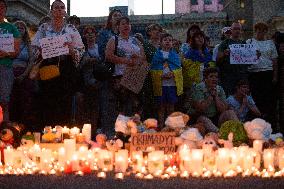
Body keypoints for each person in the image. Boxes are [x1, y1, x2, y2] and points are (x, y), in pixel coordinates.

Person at [31, 0, 84, 127]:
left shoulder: (71, 29)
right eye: (56, 8)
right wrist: (40, 51)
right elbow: (33, 47)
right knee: (48, 101)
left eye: (62, 7)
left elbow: (81, 49)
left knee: (65, 101)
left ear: (65, 12)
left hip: (66, 67)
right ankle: (48, 132)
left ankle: (63, 131)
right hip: (48, 66)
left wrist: (71, 49)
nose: (59, 10)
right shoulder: (44, 28)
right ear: (51, 11)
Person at [105, 16, 146, 117]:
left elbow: (143, 57)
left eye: (128, 23)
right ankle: (121, 130)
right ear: (118, 26)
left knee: (136, 105)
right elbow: (108, 56)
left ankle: (134, 128)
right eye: (123, 24)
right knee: (122, 105)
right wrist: (127, 61)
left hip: (135, 76)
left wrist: (137, 58)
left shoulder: (135, 41)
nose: (126, 25)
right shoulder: (114, 39)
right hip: (120, 76)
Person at [95, 9, 122, 138]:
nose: (117, 18)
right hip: (109, 72)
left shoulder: (126, 35)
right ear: (110, 19)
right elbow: (102, 52)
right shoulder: (104, 33)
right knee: (107, 104)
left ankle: (121, 133)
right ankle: (107, 133)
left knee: (120, 105)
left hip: (122, 73)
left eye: (120, 16)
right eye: (115, 15)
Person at [246, 22, 278, 130]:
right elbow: (244, 58)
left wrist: (275, 76)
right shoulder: (249, 42)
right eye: (258, 30)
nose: (261, 32)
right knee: (256, 99)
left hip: (267, 74)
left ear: (266, 32)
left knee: (268, 101)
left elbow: (274, 60)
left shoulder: (270, 43)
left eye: (263, 30)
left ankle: (269, 125)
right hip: (254, 74)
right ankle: (256, 125)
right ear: (255, 31)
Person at [190, 67, 238, 133]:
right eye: (211, 76)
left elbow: (223, 109)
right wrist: (210, 96)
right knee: (204, 119)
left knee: (230, 112)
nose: (214, 79)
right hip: (200, 117)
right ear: (205, 79)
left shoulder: (220, 89)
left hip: (216, 117)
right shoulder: (199, 88)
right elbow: (201, 108)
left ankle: (239, 131)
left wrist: (216, 96)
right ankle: (220, 135)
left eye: (216, 77)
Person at [150, 33, 183, 128]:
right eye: (165, 40)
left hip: (172, 85)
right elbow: (153, 69)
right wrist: (161, 75)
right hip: (161, 85)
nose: (168, 41)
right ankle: (161, 125)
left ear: (172, 43)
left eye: (170, 40)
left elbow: (178, 69)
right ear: (160, 43)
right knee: (161, 107)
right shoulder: (157, 55)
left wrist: (173, 74)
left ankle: (171, 126)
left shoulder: (175, 55)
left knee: (171, 106)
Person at [9, 21, 37, 129]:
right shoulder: (8, 43)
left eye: (22, 28)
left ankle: (24, 126)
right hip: (10, 73)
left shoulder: (28, 44)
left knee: (25, 101)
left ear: (25, 31)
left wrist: (24, 74)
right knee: (11, 100)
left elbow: (31, 61)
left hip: (24, 74)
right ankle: (11, 126)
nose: (20, 29)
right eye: (17, 27)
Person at [0, 0, 20, 122]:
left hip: (5, 67)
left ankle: (5, 132)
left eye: (2, 7)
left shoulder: (12, 28)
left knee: (4, 101)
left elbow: (16, 51)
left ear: (5, 10)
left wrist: (6, 53)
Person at [217, 22, 247, 96]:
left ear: (241, 31)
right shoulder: (225, 43)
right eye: (235, 29)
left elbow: (249, 61)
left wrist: (256, 56)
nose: (237, 31)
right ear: (231, 30)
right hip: (228, 76)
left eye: (239, 29)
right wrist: (224, 54)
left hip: (241, 75)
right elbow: (217, 59)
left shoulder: (244, 43)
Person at [80, 25, 100, 136]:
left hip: (98, 81)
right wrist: (86, 61)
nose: (90, 35)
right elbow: (78, 65)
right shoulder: (82, 49)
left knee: (96, 109)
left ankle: (94, 132)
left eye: (92, 32)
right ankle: (86, 132)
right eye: (87, 33)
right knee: (86, 109)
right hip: (86, 82)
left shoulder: (99, 48)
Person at [141, 23, 163, 120]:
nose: (157, 32)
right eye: (155, 29)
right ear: (149, 32)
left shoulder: (164, 45)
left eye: (159, 30)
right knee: (150, 103)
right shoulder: (145, 45)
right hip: (149, 78)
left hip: (164, 78)